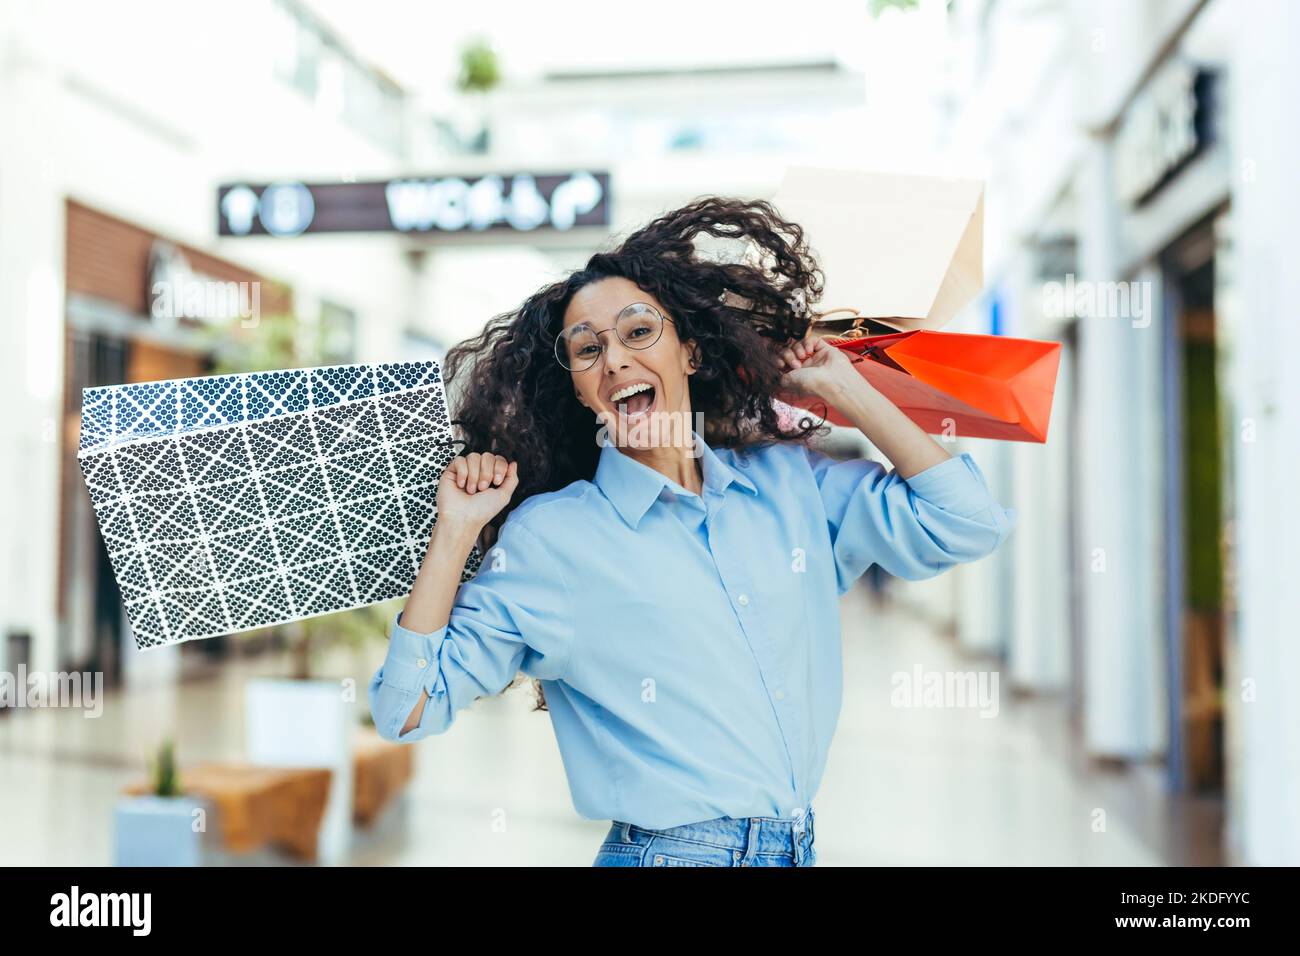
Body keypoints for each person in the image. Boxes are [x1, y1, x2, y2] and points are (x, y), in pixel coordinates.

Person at [368, 197, 1016, 867]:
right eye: (588, 349)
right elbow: (407, 707)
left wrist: (849, 391)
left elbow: (965, 524)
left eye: (638, 332)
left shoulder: (790, 489)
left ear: (691, 351)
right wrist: (456, 532)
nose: (614, 359)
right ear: (583, 392)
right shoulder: (554, 538)